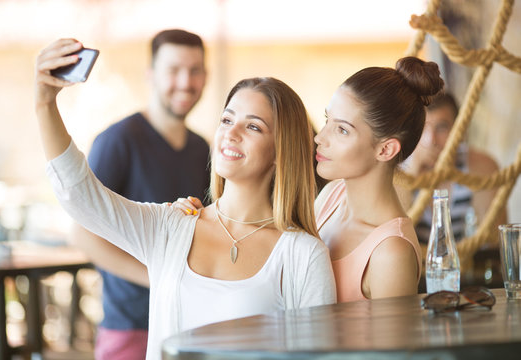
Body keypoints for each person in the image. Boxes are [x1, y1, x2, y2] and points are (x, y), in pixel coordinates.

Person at [35, 38, 336, 360]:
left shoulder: (303, 255)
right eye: (226, 119)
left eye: (253, 126)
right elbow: (80, 195)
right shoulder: (171, 228)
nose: (231, 133)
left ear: (281, 151)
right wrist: (44, 102)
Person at [175, 57, 444, 303]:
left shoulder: (391, 252)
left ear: (385, 150)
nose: (319, 137)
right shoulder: (332, 196)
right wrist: (206, 222)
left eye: (341, 130)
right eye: (328, 120)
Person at [69, 29, 210, 360]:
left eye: (195, 70)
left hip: (190, 324)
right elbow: (82, 233)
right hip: (131, 327)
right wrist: (160, 280)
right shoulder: (118, 141)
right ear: (151, 75)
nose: (185, 82)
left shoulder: (202, 148)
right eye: (173, 70)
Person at [398, 92, 507, 245]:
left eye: (441, 128)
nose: (431, 140)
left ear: (459, 131)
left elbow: (493, 241)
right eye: (423, 127)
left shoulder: (481, 167)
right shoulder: (397, 170)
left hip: (464, 264)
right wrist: (412, 173)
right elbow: (393, 235)